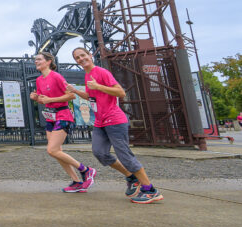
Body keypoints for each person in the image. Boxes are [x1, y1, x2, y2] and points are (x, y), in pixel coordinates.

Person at [68, 47, 163, 204]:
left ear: (90, 55)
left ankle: (150, 190)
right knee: (99, 153)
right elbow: (92, 96)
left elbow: (120, 92)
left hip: (114, 120)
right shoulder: (87, 75)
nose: (81, 59)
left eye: (83, 55)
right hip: (100, 122)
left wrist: (98, 86)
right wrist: (76, 91)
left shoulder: (101, 72)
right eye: (77, 58)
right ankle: (132, 177)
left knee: (125, 155)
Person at [29, 51, 95, 193]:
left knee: (51, 149)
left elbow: (71, 95)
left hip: (63, 115)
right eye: (35, 60)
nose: (36, 61)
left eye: (39, 59)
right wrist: (36, 98)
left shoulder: (56, 76)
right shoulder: (39, 80)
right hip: (50, 116)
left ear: (48, 62)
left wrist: (51, 100)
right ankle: (77, 182)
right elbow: (43, 99)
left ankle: (86, 170)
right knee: (56, 151)